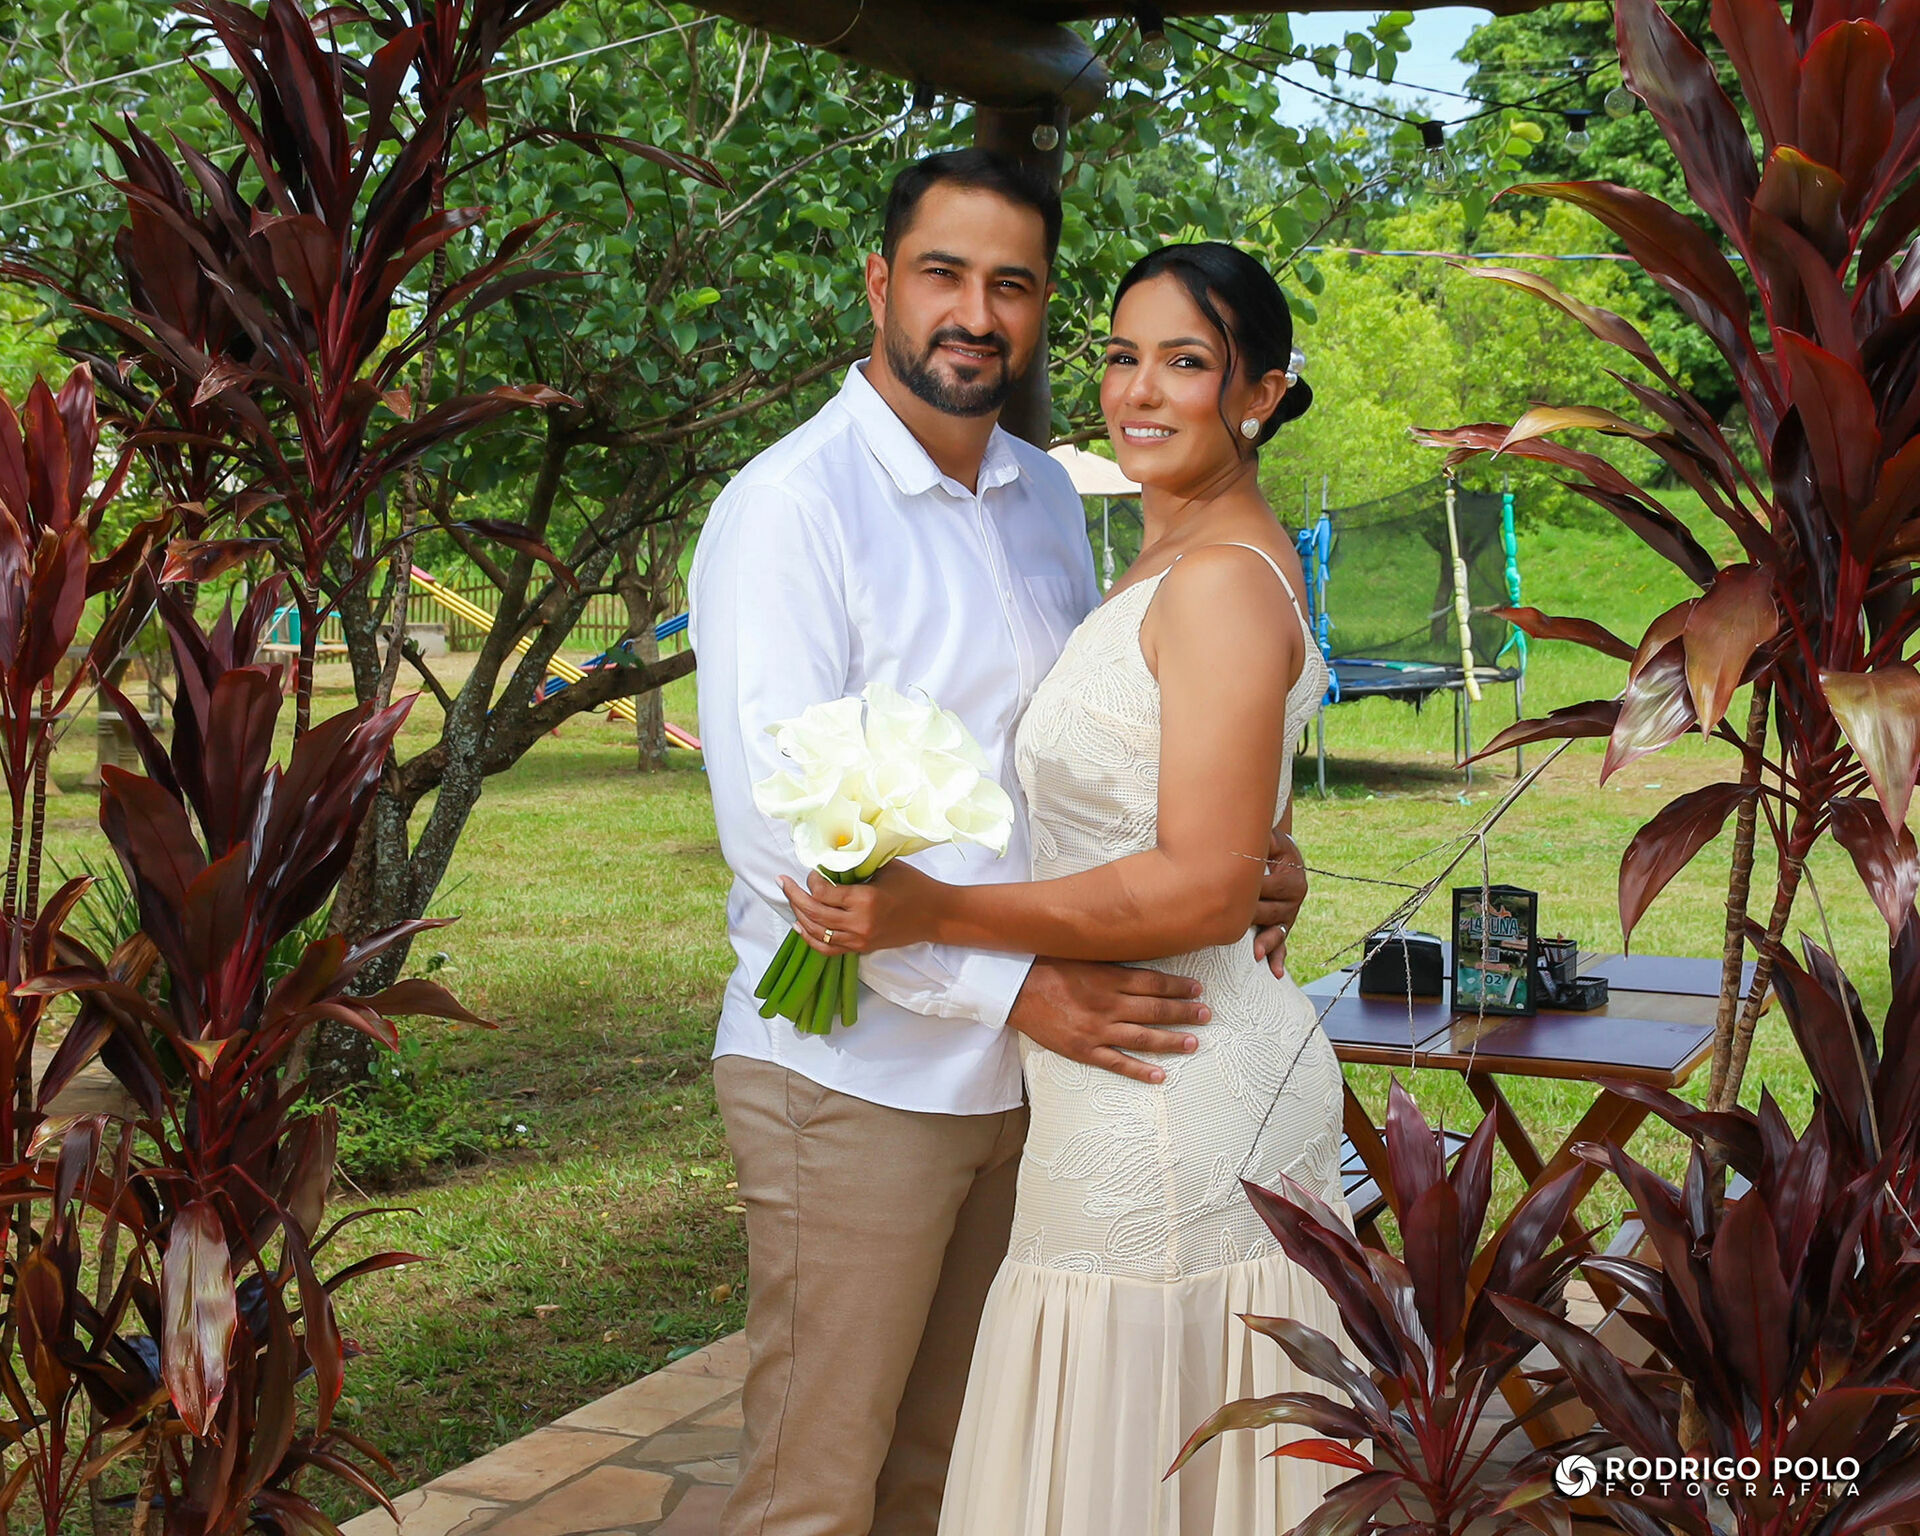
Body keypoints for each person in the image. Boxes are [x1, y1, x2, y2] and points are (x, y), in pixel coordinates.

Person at [689, 155, 1308, 1536]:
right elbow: (776, 839)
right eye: (943, 275)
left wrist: (1257, 840)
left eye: (1011, 285)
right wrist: (1021, 987)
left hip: (1046, 1080)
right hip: (860, 1070)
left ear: (1036, 313)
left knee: (956, 1470)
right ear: (879, 283)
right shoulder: (791, 510)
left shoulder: (1045, 497)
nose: (975, 312)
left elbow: (1101, 743)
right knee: (816, 1484)